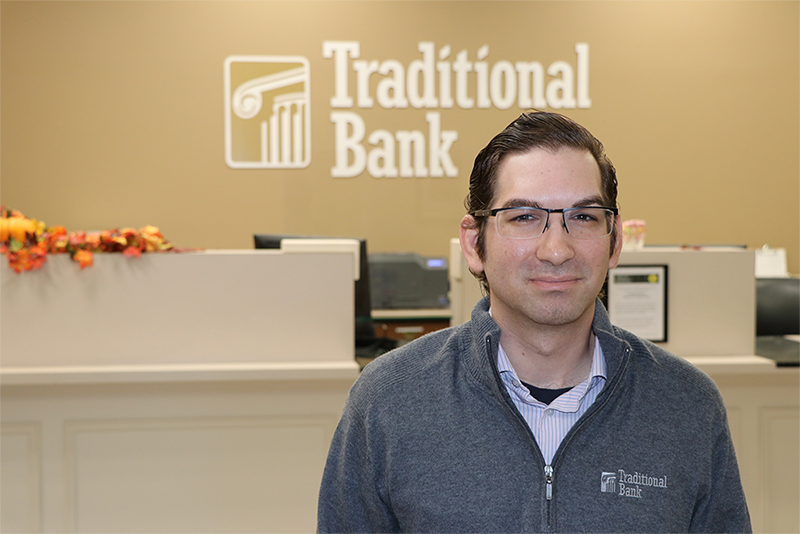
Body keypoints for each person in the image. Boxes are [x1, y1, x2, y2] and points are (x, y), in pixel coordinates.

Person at [317, 111, 751, 533]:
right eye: (524, 217)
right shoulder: (388, 400)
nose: (556, 250)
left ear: (614, 242)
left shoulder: (688, 405)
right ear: (474, 243)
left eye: (583, 217)